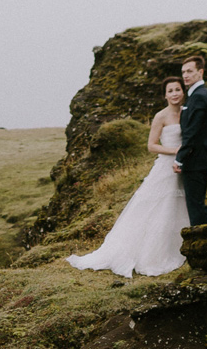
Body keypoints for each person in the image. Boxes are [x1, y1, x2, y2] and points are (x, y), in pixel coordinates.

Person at [67, 78, 190, 278]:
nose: (175, 93)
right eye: (170, 90)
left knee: (179, 204)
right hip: (166, 167)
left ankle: (180, 244)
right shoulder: (161, 116)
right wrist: (174, 150)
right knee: (160, 206)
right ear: (165, 95)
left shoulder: (186, 113)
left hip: (184, 167)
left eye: (178, 89)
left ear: (182, 92)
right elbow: (151, 145)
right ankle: (154, 252)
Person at [174, 54, 207, 226]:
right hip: (204, 157)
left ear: (200, 72)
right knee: (197, 203)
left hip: (197, 159)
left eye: (190, 71)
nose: (185, 75)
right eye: (183, 72)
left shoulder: (199, 96)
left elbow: (192, 132)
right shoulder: (204, 94)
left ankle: (203, 244)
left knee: (195, 205)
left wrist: (180, 158)